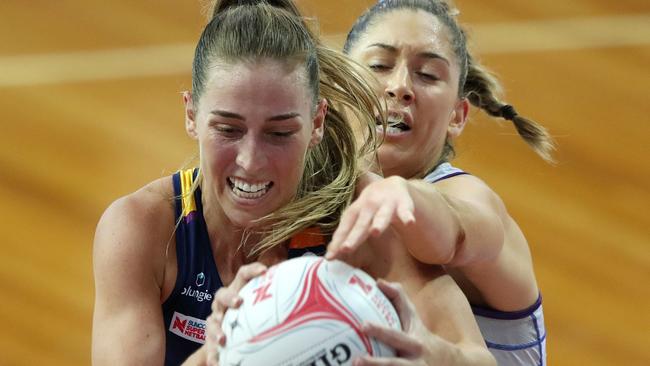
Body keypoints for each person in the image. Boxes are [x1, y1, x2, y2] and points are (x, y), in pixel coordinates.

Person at [92, 1, 493, 365]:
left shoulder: (361, 217)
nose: (250, 161)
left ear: (317, 122)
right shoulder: (142, 228)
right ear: (192, 115)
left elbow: (478, 358)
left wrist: (436, 356)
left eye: (279, 133)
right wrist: (218, 355)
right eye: (228, 129)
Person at [326, 0, 555, 365]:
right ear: (340, 89)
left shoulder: (467, 194)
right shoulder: (314, 196)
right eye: (379, 65)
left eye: (428, 74)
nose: (399, 86)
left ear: (457, 116)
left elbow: (457, 232)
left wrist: (406, 195)